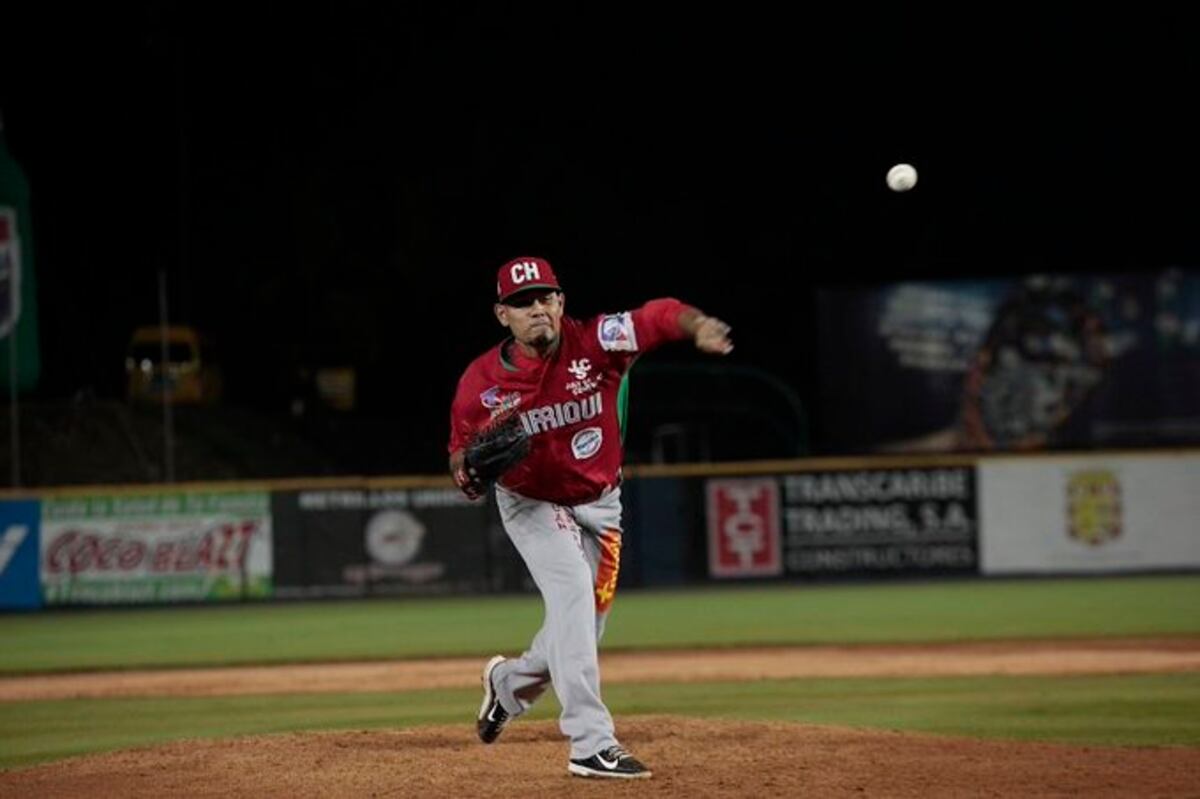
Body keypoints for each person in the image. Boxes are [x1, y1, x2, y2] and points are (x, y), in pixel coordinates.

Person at [447, 256, 733, 780]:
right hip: (532, 502)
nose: (536, 309)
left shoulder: (599, 342)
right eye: (522, 303)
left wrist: (698, 326)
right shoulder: (480, 383)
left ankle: (508, 686)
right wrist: (467, 474)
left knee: (582, 626)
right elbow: (460, 458)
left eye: (544, 297)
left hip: (602, 502)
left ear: (561, 303)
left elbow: (659, 315)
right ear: (502, 315)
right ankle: (590, 743)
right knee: (573, 593)